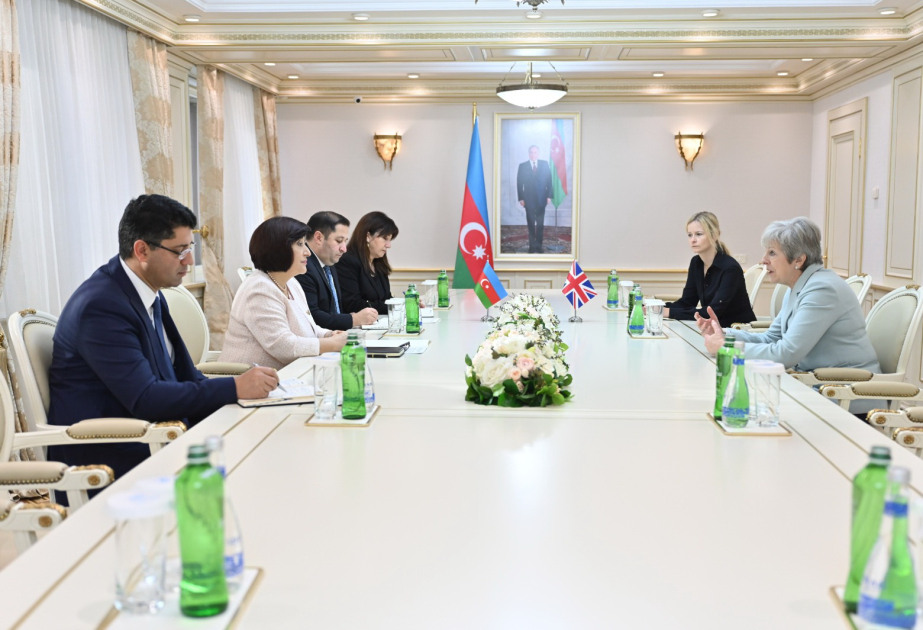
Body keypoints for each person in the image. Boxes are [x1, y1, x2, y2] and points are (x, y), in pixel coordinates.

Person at [47, 195, 278, 480]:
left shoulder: (148, 292)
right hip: (112, 456)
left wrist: (244, 390)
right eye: (180, 251)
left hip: (157, 435)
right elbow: (145, 397)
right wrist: (234, 388)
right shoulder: (101, 305)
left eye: (189, 248)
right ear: (142, 250)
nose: (189, 260)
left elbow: (185, 375)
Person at [697, 217, 880, 413]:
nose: (763, 260)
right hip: (817, 387)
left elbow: (786, 353)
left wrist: (726, 349)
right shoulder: (800, 286)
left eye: (772, 253)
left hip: (846, 397)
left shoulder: (822, 289)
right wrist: (724, 335)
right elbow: (772, 338)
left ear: (799, 260)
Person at [220, 216, 348, 369]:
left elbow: (309, 328)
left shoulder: (291, 282)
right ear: (279, 248)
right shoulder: (259, 289)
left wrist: (329, 335)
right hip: (247, 381)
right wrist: (331, 344)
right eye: (300, 244)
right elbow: (283, 346)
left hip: (285, 376)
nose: (307, 252)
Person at [665, 211, 755, 327]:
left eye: (699, 234)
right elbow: (687, 302)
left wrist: (669, 312)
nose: (693, 240)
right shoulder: (696, 263)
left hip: (737, 332)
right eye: (689, 235)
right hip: (713, 329)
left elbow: (712, 312)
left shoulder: (730, 268)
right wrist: (658, 308)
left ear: (714, 235)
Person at [295, 211, 379, 331]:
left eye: (345, 241)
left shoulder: (329, 262)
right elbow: (312, 316)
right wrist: (353, 319)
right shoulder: (304, 266)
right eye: (339, 241)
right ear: (319, 237)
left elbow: (336, 308)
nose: (344, 249)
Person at [337, 211, 398, 315]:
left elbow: (386, 299)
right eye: (385, 238)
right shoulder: (347, 261)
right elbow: (354, 304)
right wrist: (397, 307)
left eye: (390, 240)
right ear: (368, 236)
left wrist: (407, 303)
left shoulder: (379, 263)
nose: (388, 245)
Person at [517, 145, 552, 254]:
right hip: (528, 200)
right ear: (529, 154)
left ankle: (539, 246)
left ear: (538, 153)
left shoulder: (544, 164)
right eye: (531, 152)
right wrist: (521, 198)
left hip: (542, 199)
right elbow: (519, 183)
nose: (533, 154)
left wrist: (549, 196)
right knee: (531, 223)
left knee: (540, 224)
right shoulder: (522, 166)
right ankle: (532, 246)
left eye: (535, 152)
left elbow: (549, 181)